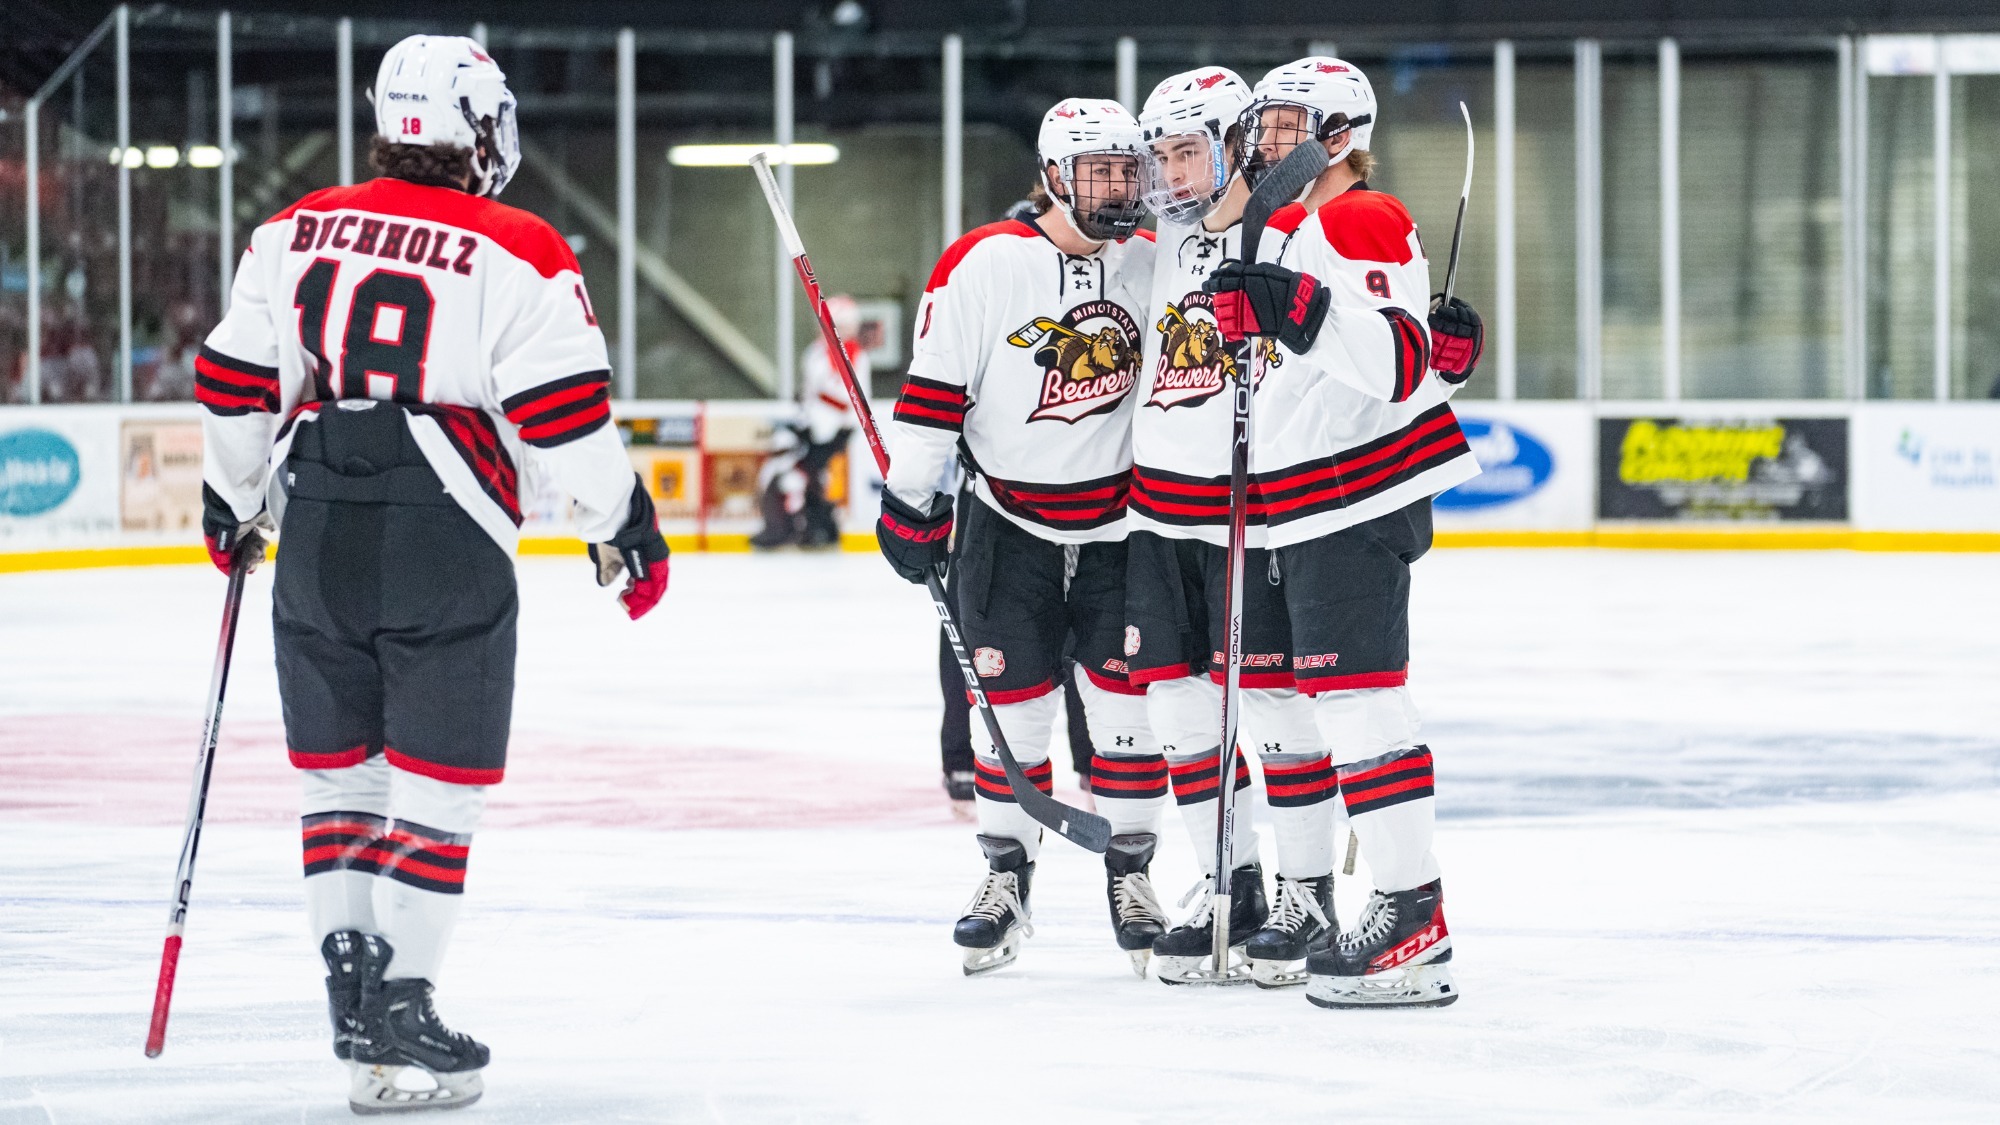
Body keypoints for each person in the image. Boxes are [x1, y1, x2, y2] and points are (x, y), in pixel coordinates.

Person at [195, 35, 669, 1112]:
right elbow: (560, 415)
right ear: (479, 126)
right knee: (439, 785)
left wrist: (234, 497)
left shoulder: (289, 228)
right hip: (444, 530)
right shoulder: (518, 243)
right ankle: (405, 994)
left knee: (340, 781)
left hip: (316, 522)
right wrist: (620, 519)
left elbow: (232, 382)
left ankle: (360, 1023)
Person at [1200, 56, 1485, 1007]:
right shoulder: (1290, 225)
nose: (1265, 139)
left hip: (1353, 497)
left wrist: (1293, 308)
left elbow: (1398, 363)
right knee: (1304, 703)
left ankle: (1412, 918)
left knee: (1362, 704)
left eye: (1288, 124)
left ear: (1339, 134)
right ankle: (1340, 902)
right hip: (1300, 500)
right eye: (1263, 123)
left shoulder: (1356, 215)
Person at [875, 97, 1164, 976]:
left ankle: (1132, 872)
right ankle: (1007, 873)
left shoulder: (1152, 262)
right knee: (1012, 711)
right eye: (1097, 173)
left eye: (1128, 172)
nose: (1117, 191)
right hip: (1007, 526)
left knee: (1123, 711)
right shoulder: (981, 265)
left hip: (1123, 525)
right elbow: (931, 400)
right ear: (1050, 175)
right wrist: (908, 501)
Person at [1127, 64, 1328, 985]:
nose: (1168, 172)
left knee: (1280, 705)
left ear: (1234, 141)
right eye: (1159, 152)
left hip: (1254, 512)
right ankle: (1229, 880)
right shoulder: (1155, 241)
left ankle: (1308, 889)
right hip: (1155, 513)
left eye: (1185, 149)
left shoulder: (1289, 232)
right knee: (1178, 704)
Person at [751, 295, 866, 549]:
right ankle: (792, 526)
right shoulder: (816, 352)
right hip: (810, 426)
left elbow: (848, 401)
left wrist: (821, 413)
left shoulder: (853, 356)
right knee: (794, 473)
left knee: (810, 476)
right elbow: (810, 391)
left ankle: (813, 527)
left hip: (833, 430)